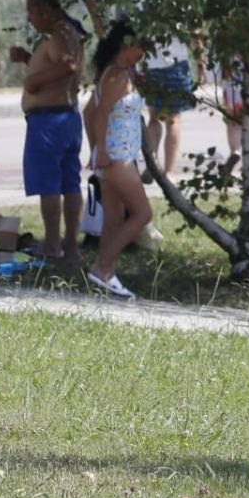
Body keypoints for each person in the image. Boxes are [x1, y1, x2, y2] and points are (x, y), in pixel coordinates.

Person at [8, 0, 86, 262]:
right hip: (64, 117)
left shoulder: (61, 32)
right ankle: (69, 245)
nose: (29, 18)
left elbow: (68, 66)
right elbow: (60, 65)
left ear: (46, 10)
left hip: (50, 122)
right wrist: (30, 60)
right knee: (69, 182)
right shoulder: (66, 33)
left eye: (31, 10)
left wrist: (34, 82)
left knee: (51, 184)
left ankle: (54, 244)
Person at [83, 20, 148, 299]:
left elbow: (88, 111)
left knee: (114, 218)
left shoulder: (114, 74)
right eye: (140, 45)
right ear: (126, 45)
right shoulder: (117, 77)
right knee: (143, 214)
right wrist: (104, 152)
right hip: (117, 156)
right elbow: (99, 115)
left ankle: (107, 275)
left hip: (112, 154)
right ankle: (101, 267)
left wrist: (96, 150)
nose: (144, 51)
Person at [139, 36, 197, 183]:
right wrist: (201, 59)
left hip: (150, 64)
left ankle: (152, 165)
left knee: (153, 118)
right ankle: (169, 172)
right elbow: (194, 32)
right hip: (176, 63)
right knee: (173, 120)